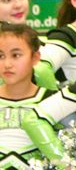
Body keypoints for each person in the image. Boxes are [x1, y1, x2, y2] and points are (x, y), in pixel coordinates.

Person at [0, 22, 66, 168]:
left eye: (16, 55)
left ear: (35, 58)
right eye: (1, 56)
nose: (7, 64)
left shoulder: (55, 101)